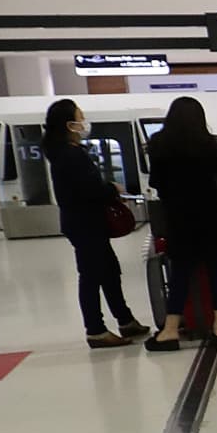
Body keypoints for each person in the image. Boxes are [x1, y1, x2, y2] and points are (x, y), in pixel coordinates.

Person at [44, 99, 149, 349]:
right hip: (85, 223)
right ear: (69, 124)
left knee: (110, 272)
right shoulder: (70, 155)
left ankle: (125, 320)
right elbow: (89, 190)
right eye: (80, 118)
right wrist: (112, 188)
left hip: (84, 223)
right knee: (91, 276)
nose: (84, 123)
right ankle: (96, 330)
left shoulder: (64, 152)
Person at [143, 96, 217, 351]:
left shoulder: (159, 145)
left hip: (180, 222)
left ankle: (171, 330)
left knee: (180, 276)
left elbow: (155, 182)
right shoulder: (214, 144)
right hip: (214, 220)